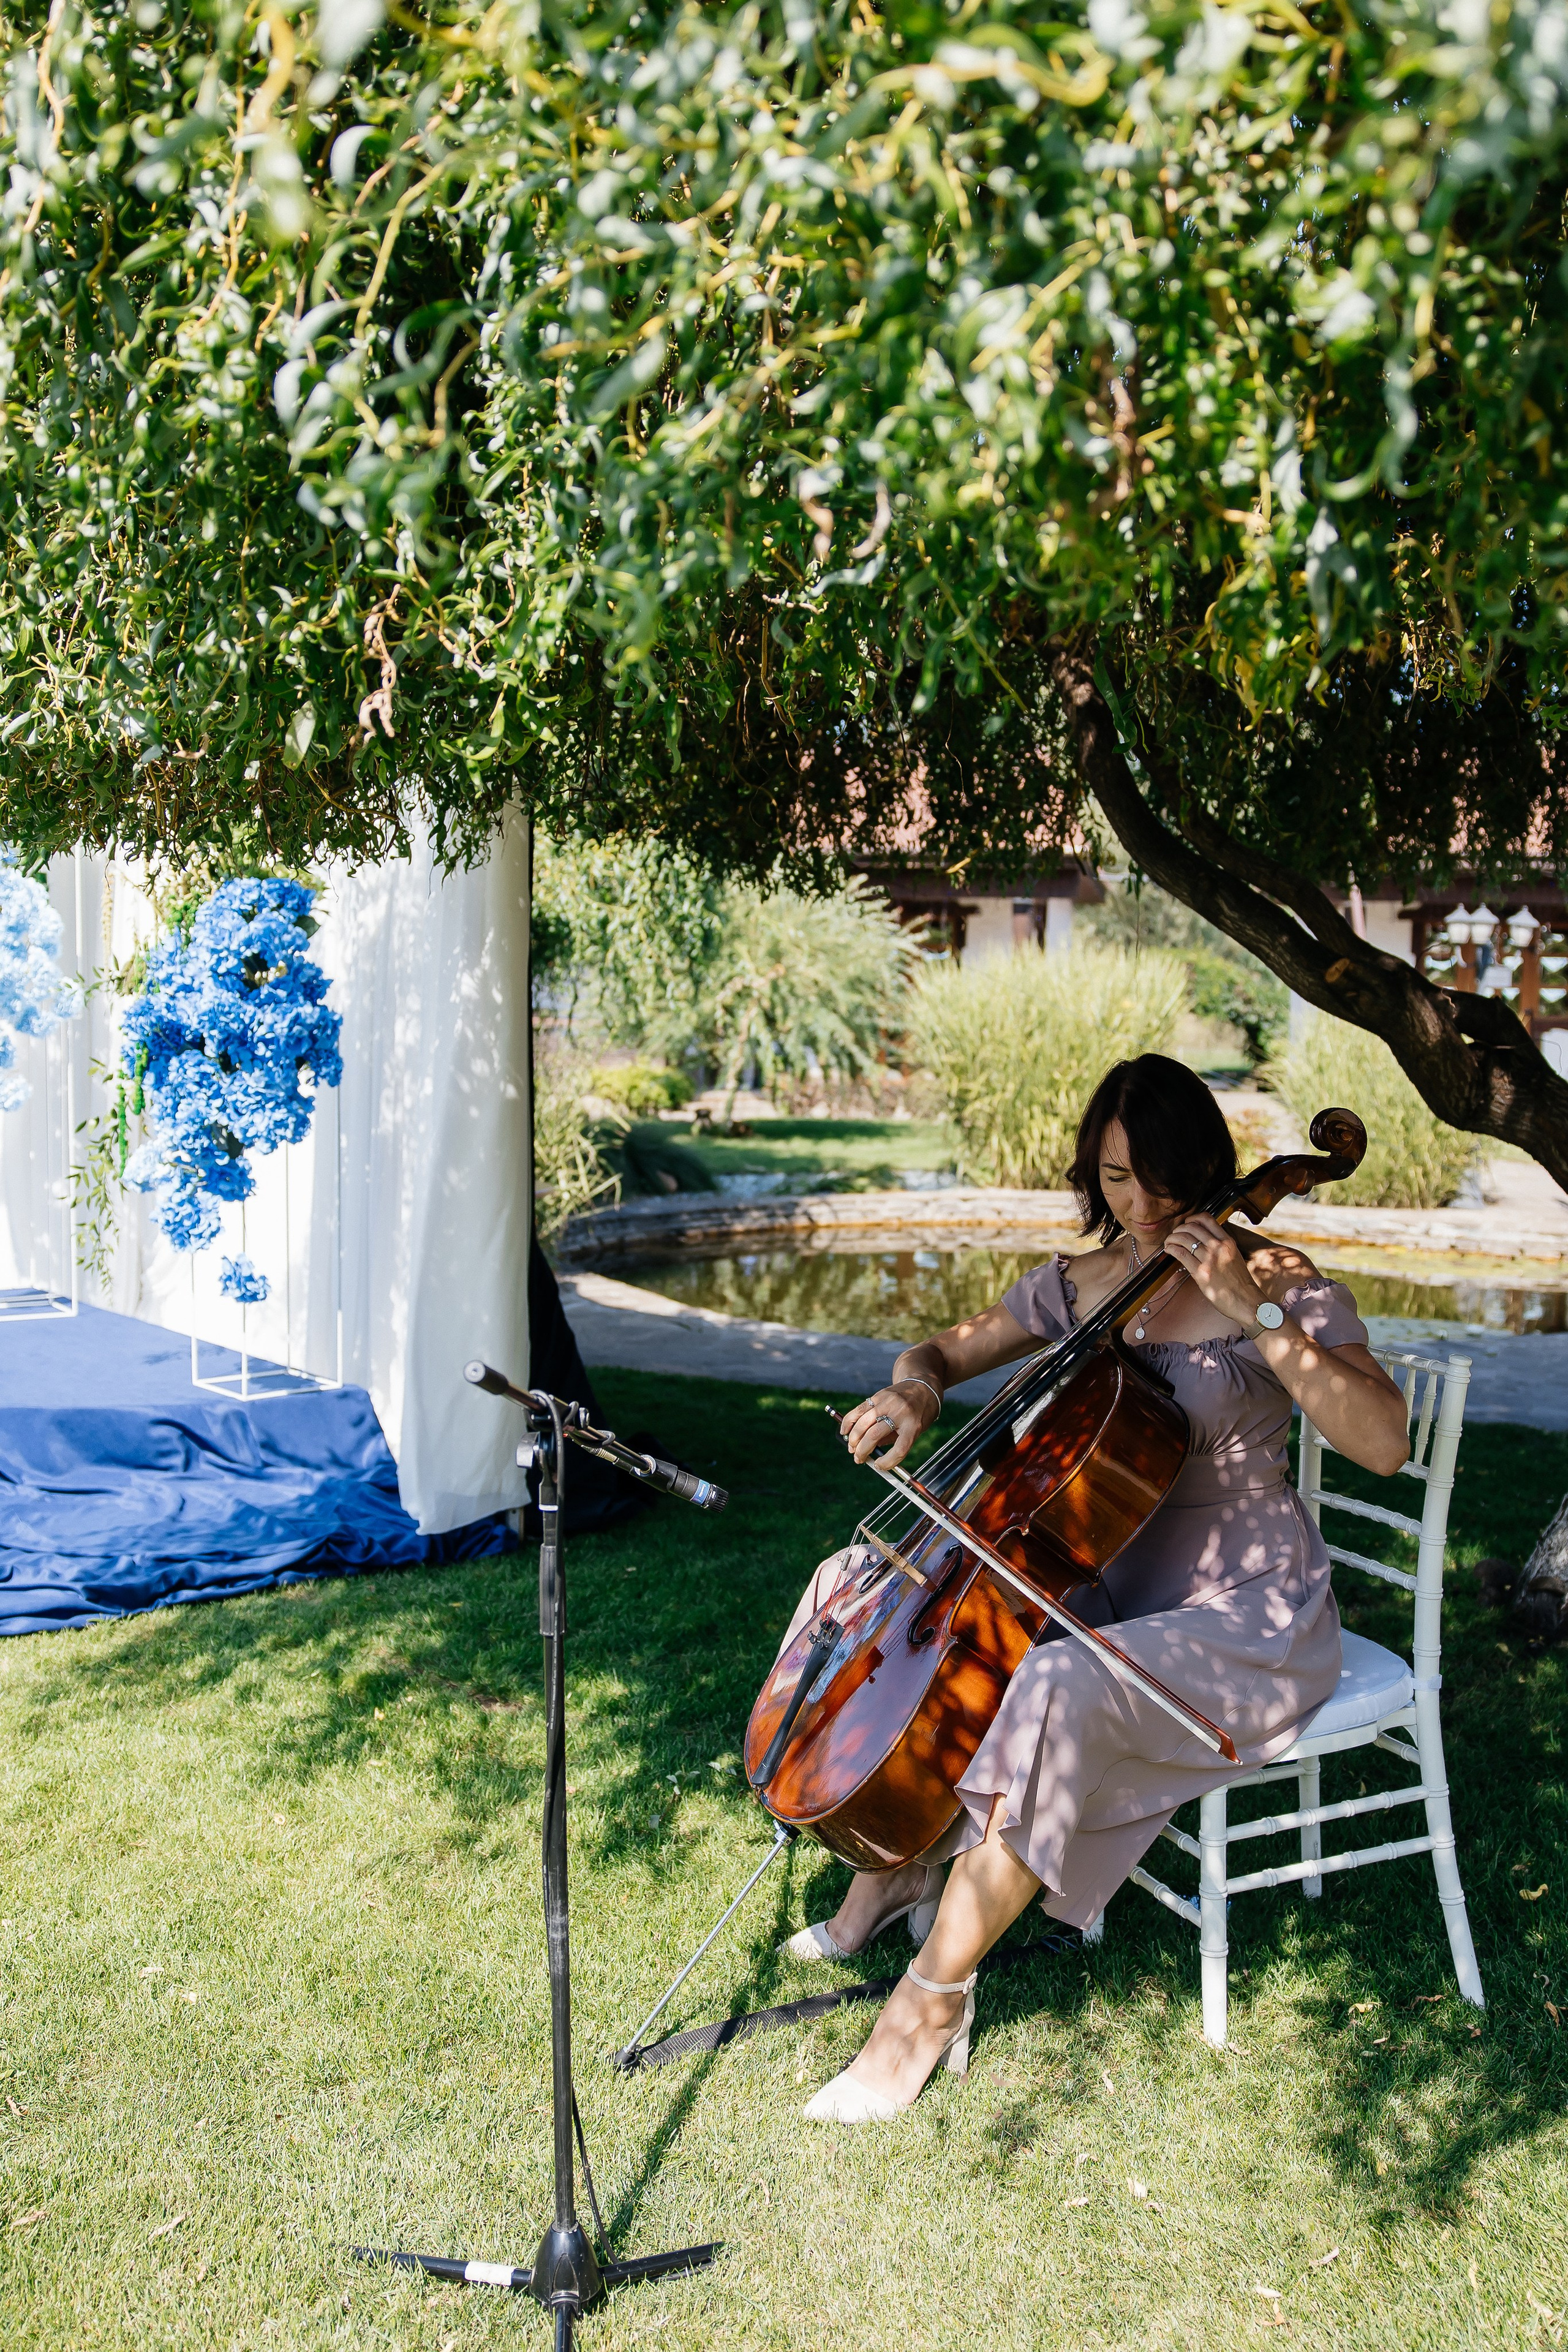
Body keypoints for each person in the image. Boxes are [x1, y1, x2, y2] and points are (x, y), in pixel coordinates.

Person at [782, 1054, 1411, 2125]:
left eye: (1163, 1180)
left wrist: (1254, 1312)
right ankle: (893, 1865)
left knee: (1060, 1684)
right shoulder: (1078, 1286)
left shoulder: (1284, 1281)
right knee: (860, 1580)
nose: (1145, 1207)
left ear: (1208, 1168)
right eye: (1119, 1180)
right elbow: (937, 1350)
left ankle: (930, 2001)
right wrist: (913, 1392)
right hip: (1105, 1580)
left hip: (1244, 1610)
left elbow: (1383, 1443)